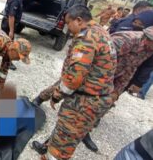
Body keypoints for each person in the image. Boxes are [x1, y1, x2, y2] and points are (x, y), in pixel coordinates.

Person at [33, 26, 153, 154]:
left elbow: (131, 69)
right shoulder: (125, 40)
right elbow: (95, 56)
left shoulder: (148, 49)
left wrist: (116, 92)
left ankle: (52, 144)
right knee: (62, 87)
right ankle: (40, 98)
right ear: (148, 38)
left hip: (109, 84)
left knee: (85, 116)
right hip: (91, 76)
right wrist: (80, 78)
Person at [31, 5, 117, 160]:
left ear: (79, 20)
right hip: (97, 98)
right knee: (67, 135)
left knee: (59, 150)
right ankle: (47, 147)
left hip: (84, 102)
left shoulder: (86, 38)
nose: (67, 28)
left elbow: (74, 78)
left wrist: (57, 95)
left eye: (68, 23)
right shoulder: (100, 31)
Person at [1, 0, 31, 70]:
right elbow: (11, 16)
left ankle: (6, 60)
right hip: (8, 24)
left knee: (6, 43)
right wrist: (11, 30)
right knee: (9, 45)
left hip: (9, 24)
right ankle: (7, 63)